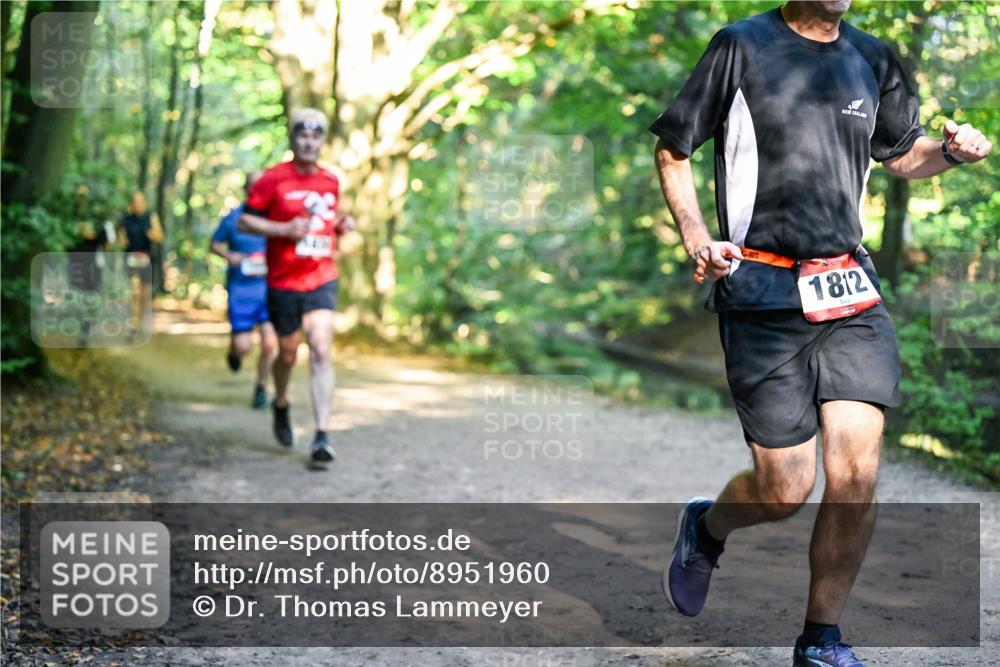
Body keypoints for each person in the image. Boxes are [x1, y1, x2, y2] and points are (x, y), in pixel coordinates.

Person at [649, 2, 991, 665]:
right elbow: (673, 146)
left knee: (857, 469)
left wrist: (949, 152)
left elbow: (903, 153)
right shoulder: (741, 46)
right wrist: (696, 237)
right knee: (783, 490)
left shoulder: (874, 57)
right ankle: (706, 526)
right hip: (761, 291)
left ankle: (820, 639)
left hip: (849, 290)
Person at [239, 108, 356, 467]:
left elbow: (329, 221)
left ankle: (322, 435)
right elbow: (244, 221)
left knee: (320, 348)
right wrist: (283, 230)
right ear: (293, 138)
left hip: (321, 277)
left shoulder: (331, 181)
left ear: (322, 141)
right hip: (283, 281)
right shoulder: (273, 179)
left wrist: (342, 226)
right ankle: (280, 402)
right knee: (287, 354)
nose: (308, 142)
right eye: (303, 135)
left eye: (315, 136)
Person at [210, 171, 278, 409]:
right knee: (244, 346)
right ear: (246, 189)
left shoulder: (274, 218)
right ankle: (234, 352)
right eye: (253, 186)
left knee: (270, 343)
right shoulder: (233, 218)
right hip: (241, 290)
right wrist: (229, 255)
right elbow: (214, 244)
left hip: (268, 290)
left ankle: (261, 388)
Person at [120, 192, 163, 337]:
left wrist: (152, 234)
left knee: (144, 295)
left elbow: (160, 237)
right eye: (135, 202)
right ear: (131, 204)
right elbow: (121, 237)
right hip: (131, 258)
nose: (137, 205)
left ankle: (139, 319)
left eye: (140, 202)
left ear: (144, 203)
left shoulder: (150, 216)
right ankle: (134, 323)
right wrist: (122, 240)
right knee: (135, 291)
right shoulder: (126, 218)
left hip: (146, 258)